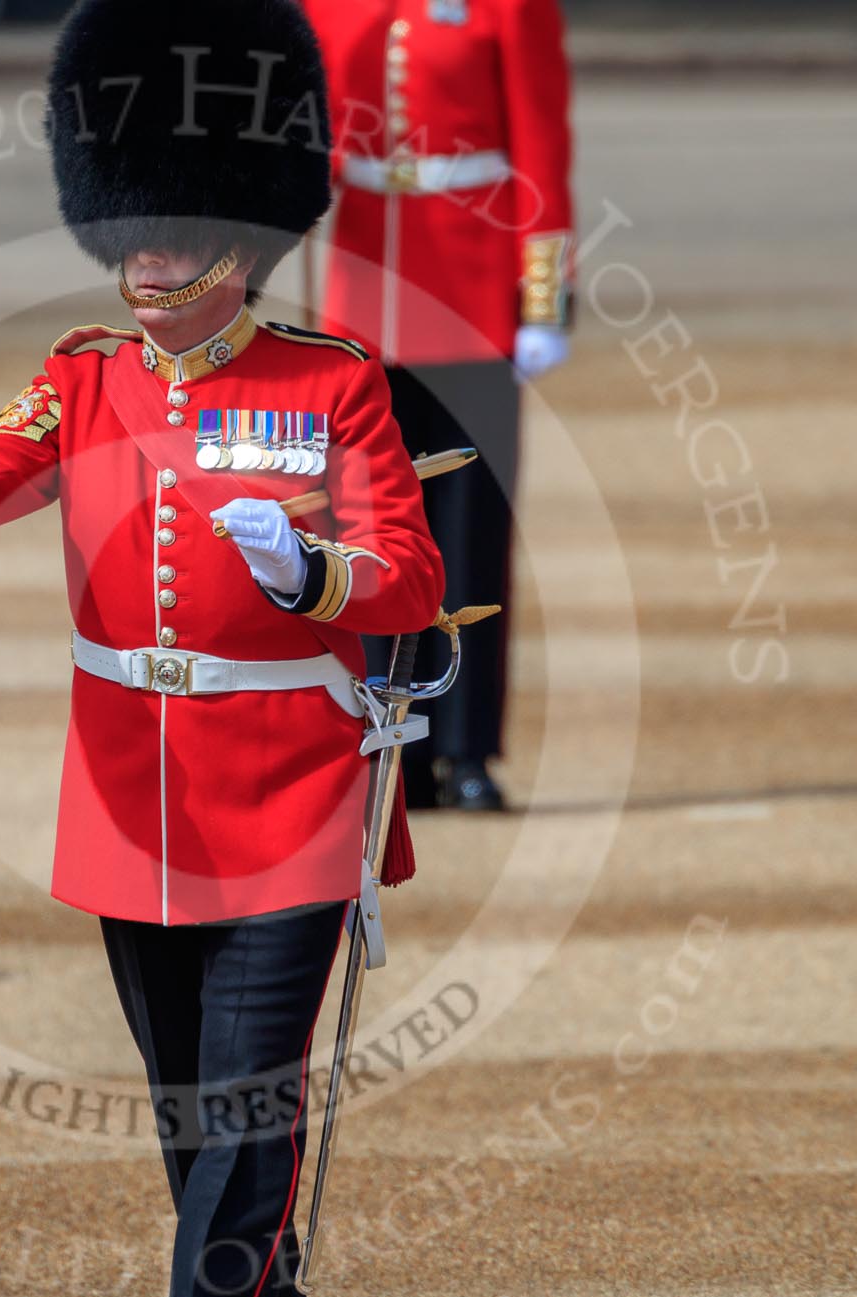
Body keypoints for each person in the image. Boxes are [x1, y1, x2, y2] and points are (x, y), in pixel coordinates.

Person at [0, 2, 444, 1297]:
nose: (147, 261)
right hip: (132, 802)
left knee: (242, 1118)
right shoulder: (88, 377)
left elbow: (407, 574)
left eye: (174, 238)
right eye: (131, 235)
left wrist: (304, 575)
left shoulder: (332, 385)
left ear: (239, 242)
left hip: (293, 792)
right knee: (197, 1128)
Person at [302, 0, 575, 810]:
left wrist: (543, 298)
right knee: (372, 531)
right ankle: (394, 742)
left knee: (469, 530)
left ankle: (464, 751)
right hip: (363, 292)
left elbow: (541, 140)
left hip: (471, 288)